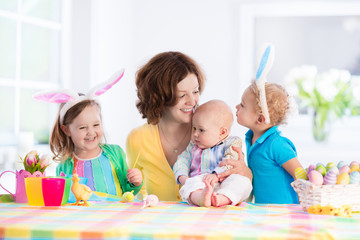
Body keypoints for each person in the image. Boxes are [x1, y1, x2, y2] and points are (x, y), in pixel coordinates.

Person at [34, 70, 143, 197]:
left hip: (113, 215)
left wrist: (135, 183)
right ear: (66, 130)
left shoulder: (115, 153)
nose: (91, 132)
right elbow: (64, 199)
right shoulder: (64, 166)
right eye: (83, 127)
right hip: (82, 217)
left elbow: (128, 192)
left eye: (96, 125)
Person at [126, 51, 206, 201]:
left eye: (195, 91)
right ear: (159, 98)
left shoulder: (208, 130)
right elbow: (135, 193)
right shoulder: (138, 139)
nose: (192, 101)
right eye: (182, 95)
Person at [219, 81, 302, 204]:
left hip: (285, 209)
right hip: (263, 209)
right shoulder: (251, 139)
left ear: (260, 119)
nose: (236, 107)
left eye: (242, 105)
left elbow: (300, 174)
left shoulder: (277, 144)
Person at [173, 100, 252, 207]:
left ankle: (222, 198)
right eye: (194, 128)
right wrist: (183, 177)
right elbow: (182, 160)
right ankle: (201, 198)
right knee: (189, 185)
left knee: (243, 182)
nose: (195, 134)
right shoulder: (193, 146)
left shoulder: (232, 143)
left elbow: (230, 161)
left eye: (201, 130)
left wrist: (216, 175)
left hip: (224, 181)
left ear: (222, 132)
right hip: (201, 182)